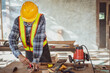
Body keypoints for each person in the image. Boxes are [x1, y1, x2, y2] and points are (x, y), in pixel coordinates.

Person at [9, 1, 51, 72]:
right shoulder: (17, 21)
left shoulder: (41, 18)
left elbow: (38, 40)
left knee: (48, 70)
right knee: (31, 70)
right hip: (28, 51)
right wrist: (19, 55)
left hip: (42, 50)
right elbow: (12, 40)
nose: (29, 23)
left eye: (31, 20)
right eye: (26, 20)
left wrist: (36, 60)